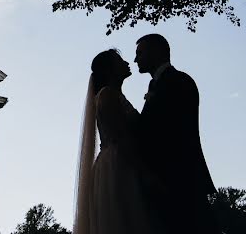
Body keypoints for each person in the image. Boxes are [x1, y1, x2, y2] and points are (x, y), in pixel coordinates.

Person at [135, 33, 217, 234]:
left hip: (180, 181)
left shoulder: (179, 81)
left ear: (156, 51)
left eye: (140, 52)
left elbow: (173, 132)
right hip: (167, 181)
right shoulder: (156, 84)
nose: (136, 59)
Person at [74, 49, 160, 234]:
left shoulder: (113, 95)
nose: (128, 63)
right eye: (120, 60)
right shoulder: (107, 95)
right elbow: (122, 137)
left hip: (118, 161)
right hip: (119, 164)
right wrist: (145, 173)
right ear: (110, 69)